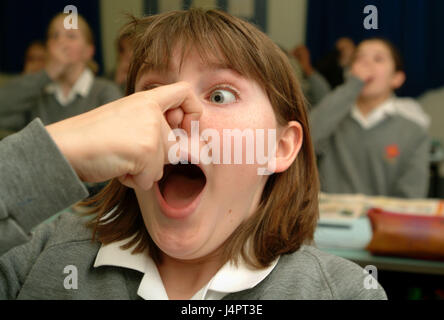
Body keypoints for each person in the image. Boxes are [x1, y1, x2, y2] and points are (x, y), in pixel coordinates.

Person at [0, 9, 386, 300]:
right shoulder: (37, 256)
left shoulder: (346, 293)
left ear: (280, 147)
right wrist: (59, 151)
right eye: (153, 90)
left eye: (220, 94)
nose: (178, 110)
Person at [310, 38, 430, 198]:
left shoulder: (413, 132)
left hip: (384, 221)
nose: (366, 65)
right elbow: (306, 140)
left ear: (396, 78)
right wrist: (353, 85)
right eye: (359, 59)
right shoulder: (332, 117)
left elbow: (411, 195)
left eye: (378, 59)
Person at [0, 12, 122, 133]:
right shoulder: (38, 96)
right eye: (54, 36)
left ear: (88, 51)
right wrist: (47, 74)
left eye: (71, 36)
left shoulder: (104, 91)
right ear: (48, 48)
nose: (61, 42)